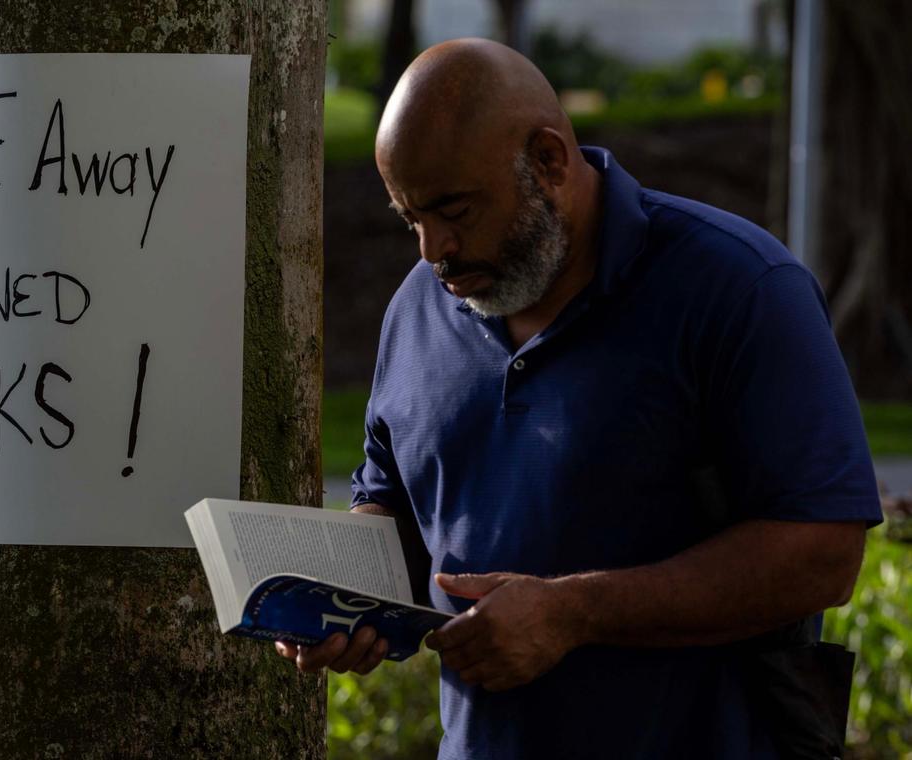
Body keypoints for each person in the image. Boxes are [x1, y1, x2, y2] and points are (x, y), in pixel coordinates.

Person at [276, 38, 882, 757]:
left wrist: (576, 612)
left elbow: (824, 551)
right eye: (409, 218)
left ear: (549, 160)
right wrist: (341, 603)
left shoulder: (739, 288)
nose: (431, 250)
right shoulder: (417, 307)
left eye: (455, 210)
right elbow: (396, 504)